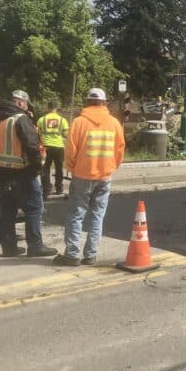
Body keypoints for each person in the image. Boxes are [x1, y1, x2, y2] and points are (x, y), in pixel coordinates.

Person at [55, 88, 125, 267]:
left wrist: (73, 168)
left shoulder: (78, 122)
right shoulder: (114, 123)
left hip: (82, 176)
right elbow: (120, 150)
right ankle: (91, 255)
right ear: (104, 103)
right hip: (104, 176)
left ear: (87, 102)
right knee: (97, 215)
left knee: (76, 216)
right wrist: (111, 167)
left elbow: (70, 150)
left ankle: (72, 255)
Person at [0, 90, 57, 258]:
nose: (26, 108)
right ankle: (35, 246)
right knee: (34, 208)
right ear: (20, 102)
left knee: (7, 211)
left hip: (1, 172)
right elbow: (32, 147)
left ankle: (9, 247)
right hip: (21, 172)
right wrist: (37, 169)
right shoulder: (20, 119)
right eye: (26, 104)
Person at [37, 101, 70, 199]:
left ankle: (46, 189)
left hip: (46, 147)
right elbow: (66, 134)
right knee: (59, 168)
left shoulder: (41, 120)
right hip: (58, 147)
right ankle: (59, 188)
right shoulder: (62, 120)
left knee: (45, 168)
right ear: (56, 108)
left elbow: (37, 133)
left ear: (48, 108)